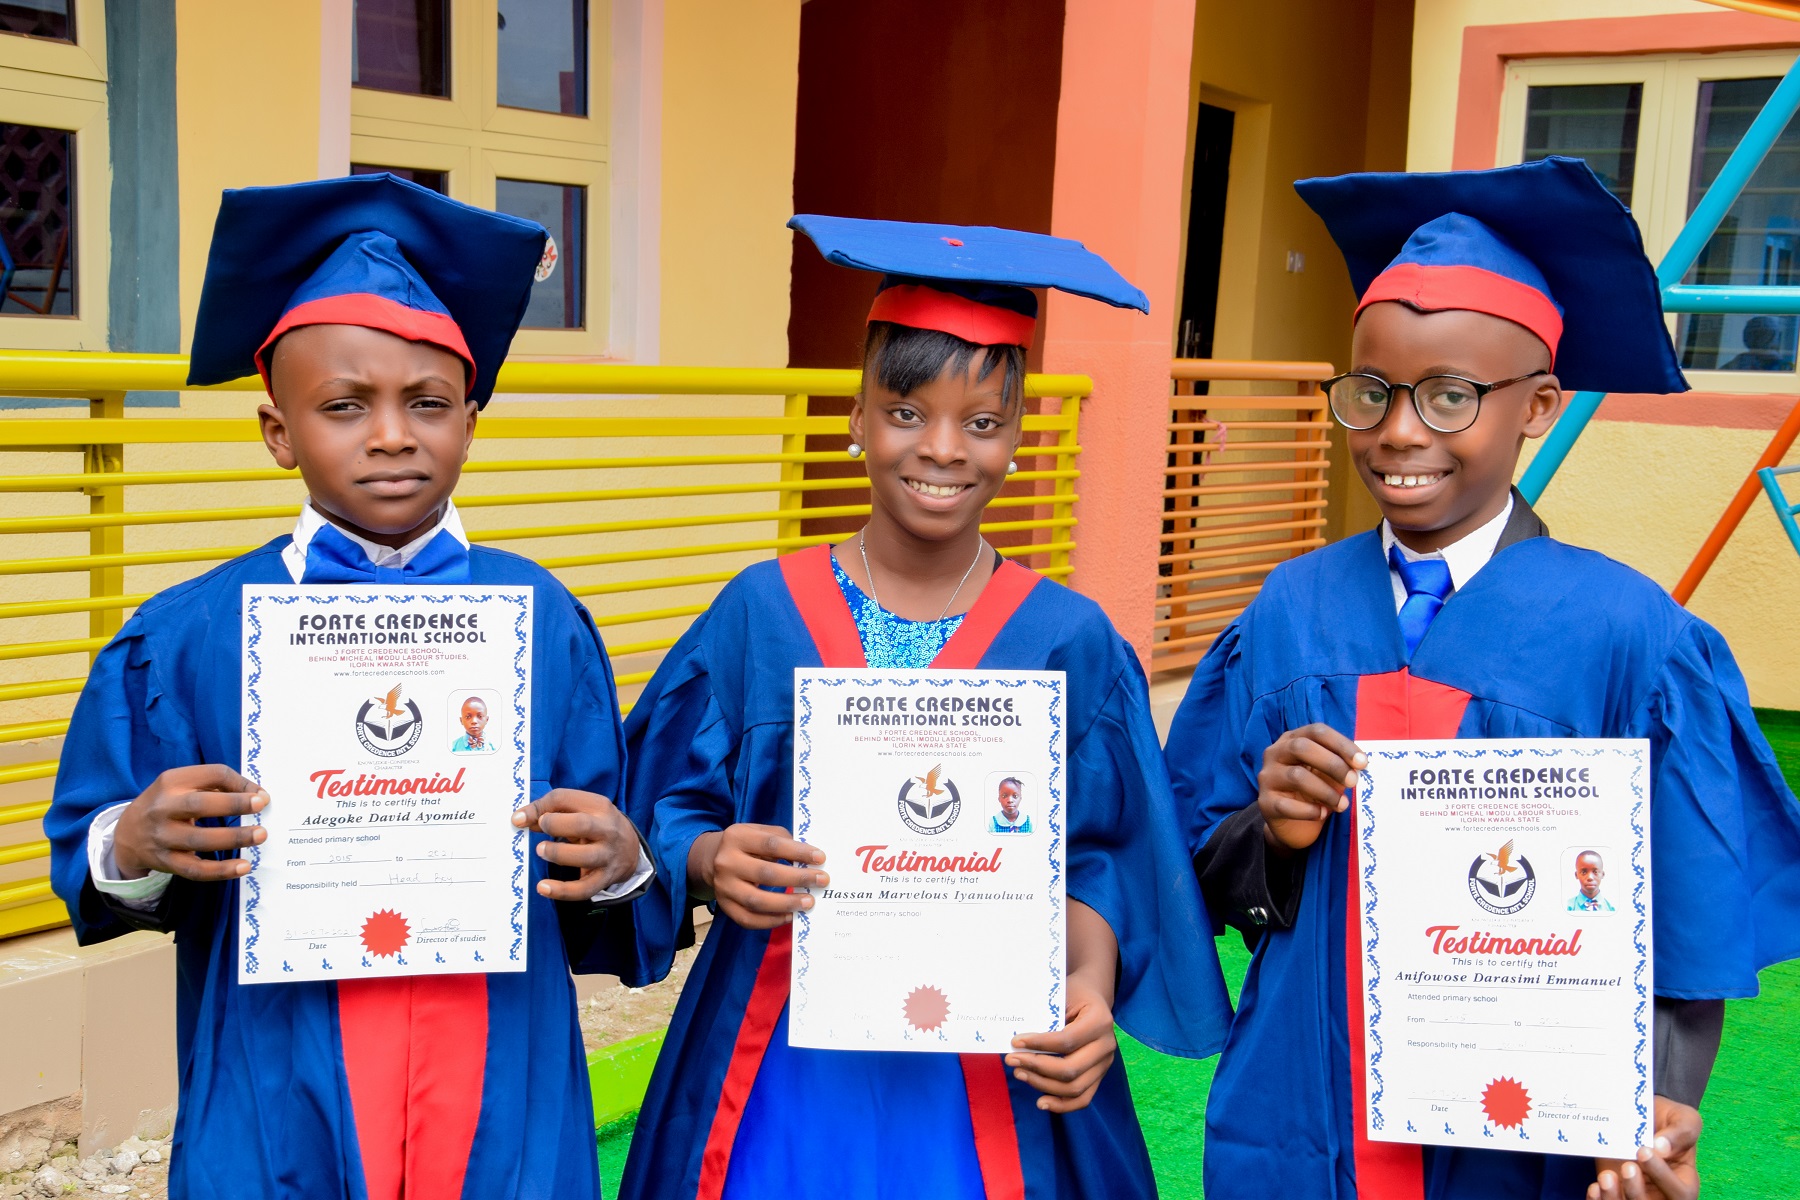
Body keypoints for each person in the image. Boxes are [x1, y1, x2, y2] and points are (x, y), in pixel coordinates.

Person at [1165, 157, 1800, 1200]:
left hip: (1522, 1134)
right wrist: (1267, 832)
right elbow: (1191, 863)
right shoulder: (1288, 610)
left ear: (1538, 405)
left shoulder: (1628, 633)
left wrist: (1662, 1096)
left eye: (1451, 396)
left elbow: (1688, 907)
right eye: (1371, 393)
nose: (1400, 431)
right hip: (1300, 1110)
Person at [45, 174, 656, 1200]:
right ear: (277, 431)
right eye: (343, 405)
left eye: (428, 403)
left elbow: (607, 868)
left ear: (472, 422)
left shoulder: (542, 620)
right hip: (279, 1070)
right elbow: (96, 860)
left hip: (499, 1065)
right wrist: (133, 841)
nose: (391, 434)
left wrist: (622, 861)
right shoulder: (190, 633)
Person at [617, 217, 1232, 1200]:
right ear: (857, 419)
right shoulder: (760, 614)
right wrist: (707, 858)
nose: (943, 449)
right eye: (907, 412)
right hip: (777, 1054)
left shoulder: (1067, 639)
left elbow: (1102, 862)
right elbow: (657, 808)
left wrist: (1088, 985)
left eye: (982, 422)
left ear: (1016, 438)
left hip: (992, 1062)